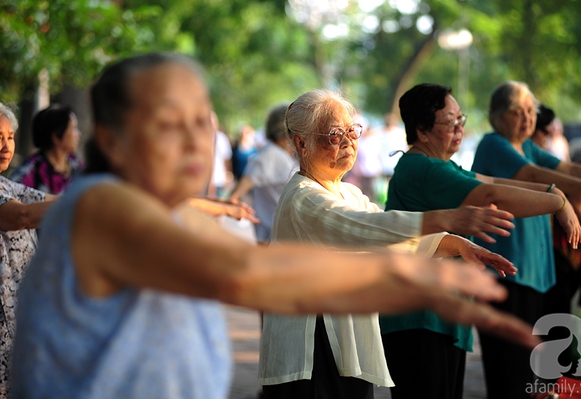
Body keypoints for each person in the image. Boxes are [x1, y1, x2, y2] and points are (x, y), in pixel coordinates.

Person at [11, 54, 538, 399]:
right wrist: (423, 272)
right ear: (112, 137)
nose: (196, 139)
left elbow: (362, 234)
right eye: (170, 122)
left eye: (203, 120)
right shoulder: (102, 207)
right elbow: (247, 273)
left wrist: (448, 247)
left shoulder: (157, 211)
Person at [258, 89, 523, 399]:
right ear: (302, 143)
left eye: (351, 131)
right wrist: (444, 220)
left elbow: (392, 238)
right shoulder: (303, 196)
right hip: (310, 354)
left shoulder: (347, 193)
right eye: (333, 134)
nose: (348, 141)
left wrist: (459, 245)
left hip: (344, 345)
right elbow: (366, 228)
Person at [382, 83, 581, 399]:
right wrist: (557, 201)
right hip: (419, 317)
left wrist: (555, 193)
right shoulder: (423, 168)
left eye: (461, 119)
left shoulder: (441, 165)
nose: (460, 128)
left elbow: (490, 182)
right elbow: (490, 194)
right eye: (451, 123)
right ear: (422, 130)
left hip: (441, 316)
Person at [472, 80, 581, 399]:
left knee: (528, 370)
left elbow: (565, 167)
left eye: (531, 111)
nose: (528, 118)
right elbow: (532, 175)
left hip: (532, 275)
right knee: (509, 371)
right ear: (498, 115)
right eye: (519, 111)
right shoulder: (494, 144)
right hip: (504, 273)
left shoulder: (527, 146)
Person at [0, 102, 57, 399]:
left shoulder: (7, 186)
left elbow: (52, 200)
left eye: (9, 137)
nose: (6, 146)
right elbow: (23, 217)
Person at [228, 104, 297, 243]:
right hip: (272, 236)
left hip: (278, 236)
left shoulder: (277, 154)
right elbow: (236, 194)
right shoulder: (269, 156)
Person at [10, 104, 83, 194]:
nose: (78, 134)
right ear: (56, 136)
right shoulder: (31, 172)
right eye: (73, 129)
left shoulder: (75, 164)